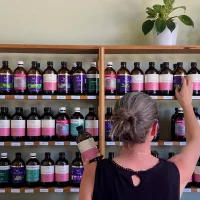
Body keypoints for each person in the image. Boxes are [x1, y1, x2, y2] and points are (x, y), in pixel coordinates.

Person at [80, 77, 200, 200]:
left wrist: (96, 173)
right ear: (154, 129)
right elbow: (196, 140)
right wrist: (186, 104)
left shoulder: (93, 171)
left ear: (117, 127)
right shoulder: (176, 171)